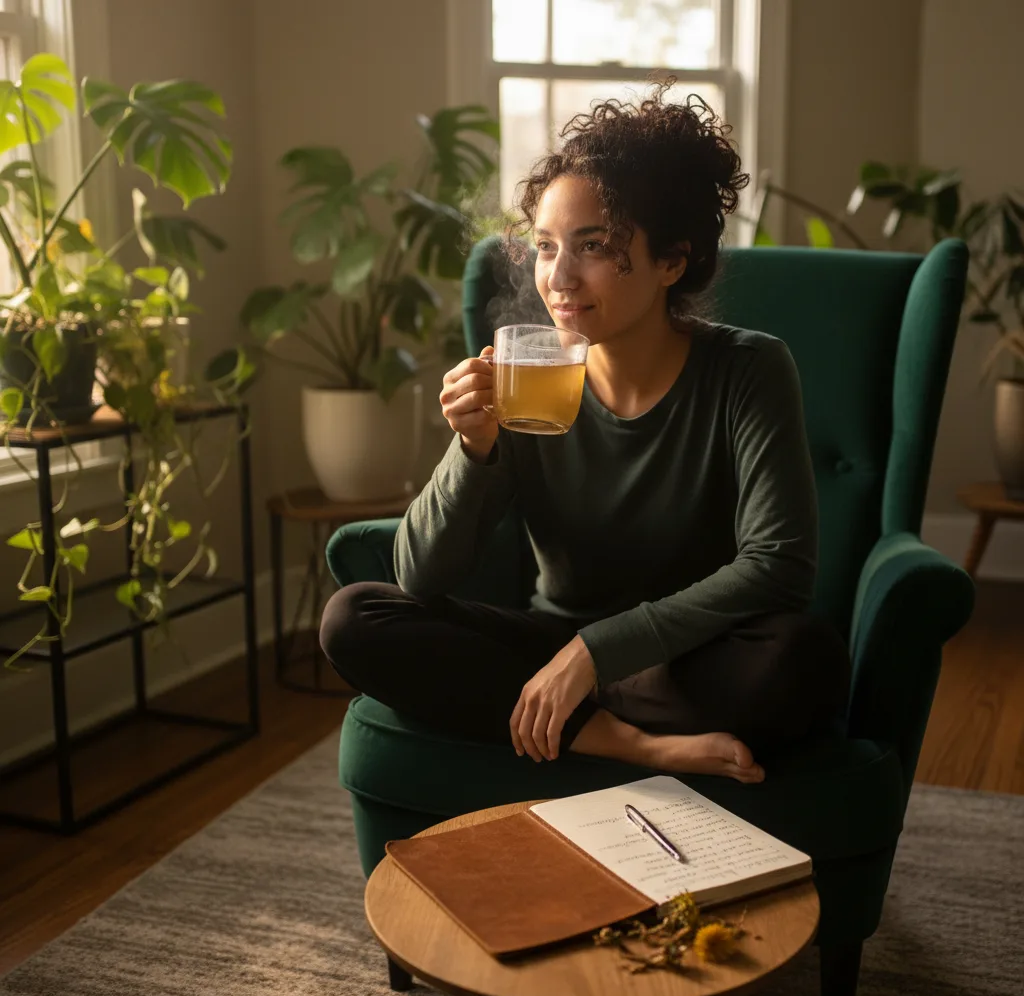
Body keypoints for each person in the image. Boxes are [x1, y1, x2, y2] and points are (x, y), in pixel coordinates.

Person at [320, 84, 850, 784]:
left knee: (802, 659)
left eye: (593, 246)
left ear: (672, 260)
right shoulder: (528, 376)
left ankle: (558, 715)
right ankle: (629, 744)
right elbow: (418, 578)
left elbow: (779, 566)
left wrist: (594, 654)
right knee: (352, 618)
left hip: (684, 656)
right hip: (549, 644)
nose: (559, 278)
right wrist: (472, 449)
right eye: (545, 247)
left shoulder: (748, 369)